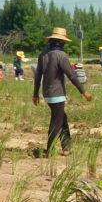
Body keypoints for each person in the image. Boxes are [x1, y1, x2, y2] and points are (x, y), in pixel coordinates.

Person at [33, 27, 92, 156]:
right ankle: (49, 150)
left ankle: (66, 147)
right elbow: (71, 75)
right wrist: (83, 92)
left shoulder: (42, 55)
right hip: (57, 94)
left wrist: (35, 94)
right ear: (61, 42)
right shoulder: (61, 55)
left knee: (62, 118)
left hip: (47, 94)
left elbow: (38, 76)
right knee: (57, 122)